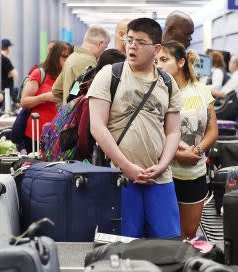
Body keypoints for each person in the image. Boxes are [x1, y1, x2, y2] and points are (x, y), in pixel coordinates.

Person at [88, 18, 182, 239]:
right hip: (120, 177)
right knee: (124, 247)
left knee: (167, 246)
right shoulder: (110, 74)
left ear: (157, 48)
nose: (132, 46)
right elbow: (97, 127)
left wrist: (162, 165)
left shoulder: (168, 83)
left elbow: (173, 131)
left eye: (141, 42)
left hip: (159, 179)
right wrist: (127, 166)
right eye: (129, 40)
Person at [157, 41, 218, 240]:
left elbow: (212, 129)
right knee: (167, 235)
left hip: (195, 172)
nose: (159, 65)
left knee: (188, 234)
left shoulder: (201, 90)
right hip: (165, 173)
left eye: (164, 60)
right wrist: (178, 154)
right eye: (156, 60)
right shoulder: (157, 92)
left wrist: (198, 150)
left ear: (181, 62)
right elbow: (154, 134)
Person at [19, 42, 71, 151]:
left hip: (59, 133)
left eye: (69, 57)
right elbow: (23, 101)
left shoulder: (69, 76)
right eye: (64, 57)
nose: (67, 60)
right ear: (55, 57)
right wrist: (44, 97)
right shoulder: (39, 73)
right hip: (36, 132)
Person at [51, 26, 110, 102]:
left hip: (70, 112)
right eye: (104, 48)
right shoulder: (88, 62)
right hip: (80, 113)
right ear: (100, 44)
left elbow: (56, 90)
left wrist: (68, 101)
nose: (103, 51)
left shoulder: (71, 57)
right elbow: (90, 94)